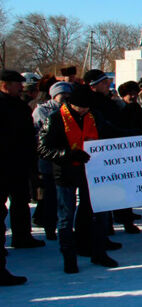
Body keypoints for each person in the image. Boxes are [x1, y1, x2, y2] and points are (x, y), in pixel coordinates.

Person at [37, 84, 120, 273]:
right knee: (66, 217)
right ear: (72, 104)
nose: (85, 109)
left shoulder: (94, 116)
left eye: (87, 106)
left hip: (92, 171)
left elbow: (112, 131)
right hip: (65, 173)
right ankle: (69, 257)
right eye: (82, 106)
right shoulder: (56, 119)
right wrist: (68, 155)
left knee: (99, 212)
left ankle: (98, 252)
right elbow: (42, 148)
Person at [84, 69, 141, 234]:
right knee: (103, 195)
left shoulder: (107, 101)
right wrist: (131, 134)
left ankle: (111, 226)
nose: (107, 84)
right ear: (94, 86)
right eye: (103, 82)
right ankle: (102, 231)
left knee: (119, 189)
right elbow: (107, 128)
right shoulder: (94, 103)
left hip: (114, 150)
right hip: (101, 153)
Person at [0, 70, 45, 250]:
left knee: (21, 201)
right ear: (5, 85)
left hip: (20, 161)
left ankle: (22, 236)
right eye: (17, 84)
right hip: (4, 162)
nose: (21, 87)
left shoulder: (19, 104)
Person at [32, 81, 72, 240]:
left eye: (69, 95)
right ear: (55, 95)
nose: (66, 98)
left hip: (65, 160)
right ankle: (49, 227)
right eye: (63, 95)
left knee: (64, 198)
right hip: (48, 160)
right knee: (49, 197)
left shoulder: (69, 110)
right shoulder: (42, 110)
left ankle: (63, 226)